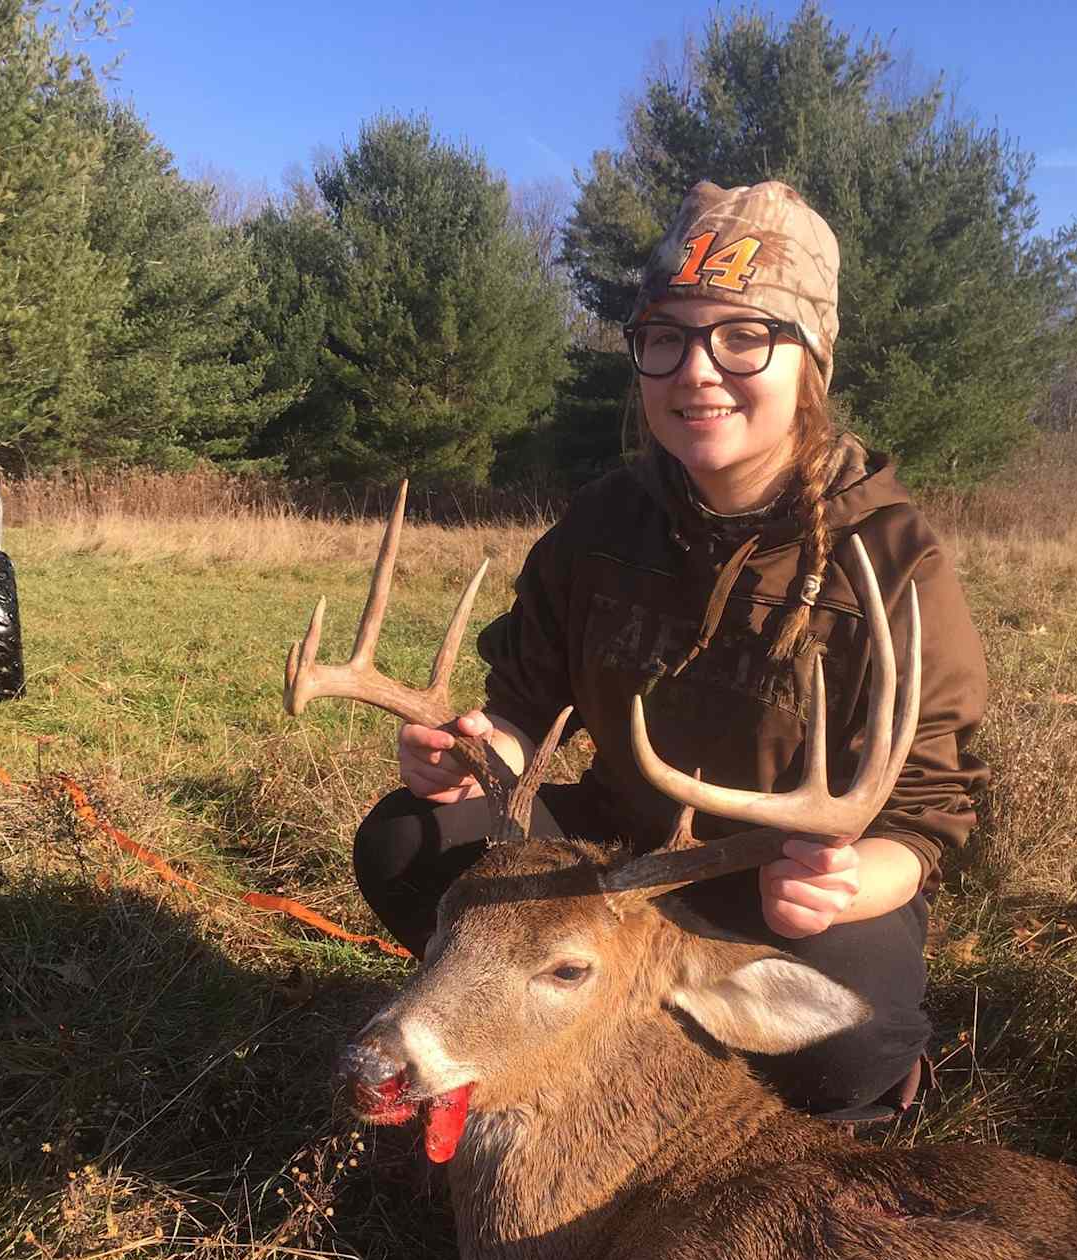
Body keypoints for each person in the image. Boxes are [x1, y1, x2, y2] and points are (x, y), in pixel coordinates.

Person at [352, 180, 988, 1122]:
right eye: (667, 338)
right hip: (613, 865)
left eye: (743, 337)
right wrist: (471, 764)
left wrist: (854, 881)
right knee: (407, 841)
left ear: (811, 357)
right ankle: (548, 1029)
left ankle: (846, 1091)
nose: (697, 370)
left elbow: (931, 814)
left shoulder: (891, 562)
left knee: (851, 1035)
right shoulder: (603, 524)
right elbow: (524, 702)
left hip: (774, 891)